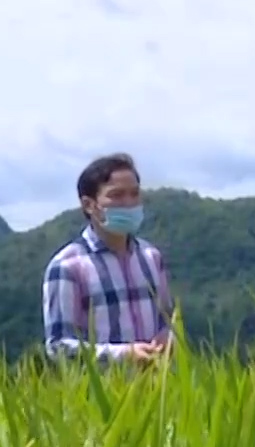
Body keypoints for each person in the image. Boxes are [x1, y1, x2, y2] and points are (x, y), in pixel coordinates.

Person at [42, 153, 175, 363]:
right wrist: (122, 354)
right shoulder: (68, 266)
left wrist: (168, 338)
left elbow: (168, 321)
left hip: (156, 389)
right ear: (89, 204)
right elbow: (59, 346)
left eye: (134, 194)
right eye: (117, 195)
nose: (128, 203)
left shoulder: (151, 258)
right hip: (99, 392)